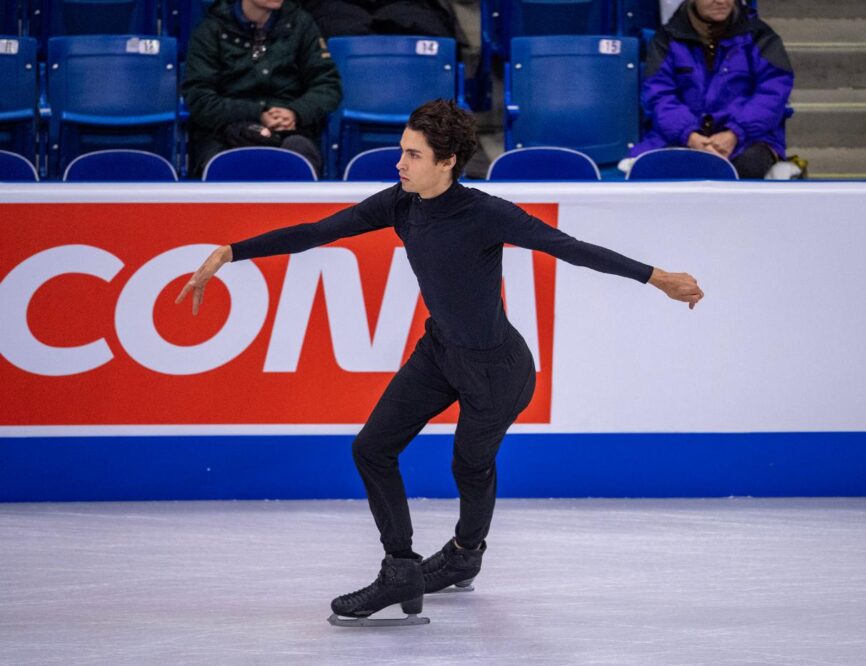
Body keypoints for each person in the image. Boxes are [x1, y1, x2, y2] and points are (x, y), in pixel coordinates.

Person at [176, 99, 704, 626]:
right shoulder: (400, 203)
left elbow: (567, 247)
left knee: (468, 465)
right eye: (402, 151)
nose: (400, 163)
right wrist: (230, 252)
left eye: (413, 154)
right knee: (371, 448)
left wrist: (657, 278)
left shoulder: (486, 213)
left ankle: (465, 554)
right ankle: (400, 568)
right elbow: (320, 230)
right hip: (439, 352)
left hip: (496, 369)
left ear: (447, 161)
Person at [630, 0, 794, 179]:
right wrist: (689, 135)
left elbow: (773, 92)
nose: (722, 1)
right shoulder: (666, 38)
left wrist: (735, 133)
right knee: (667, 169)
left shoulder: (760, 35)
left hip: (750, 139)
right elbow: (659, 95)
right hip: (680, 137)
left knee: (746, 167)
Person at [182, 0, 343, 177]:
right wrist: (257, 114)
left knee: (299, 153)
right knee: (222, 164)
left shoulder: (301, 23)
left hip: (289, 130)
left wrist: (295, 112)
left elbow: (328, 85)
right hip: (225, 131)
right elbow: (198, 97)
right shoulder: (211, 28)